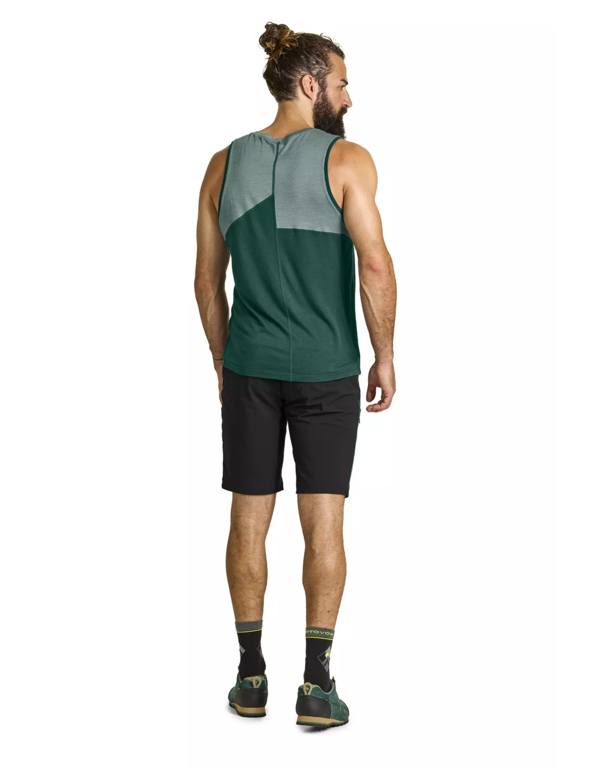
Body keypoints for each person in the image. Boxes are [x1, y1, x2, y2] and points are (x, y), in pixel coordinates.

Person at [194, 22, 397, 729]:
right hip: (326, 370)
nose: (348, 96)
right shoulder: (347, 160)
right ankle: (316, 684)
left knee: (247, 517)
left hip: (249, 368)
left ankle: (250, 677)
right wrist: (385, 354)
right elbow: (375, 265)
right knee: (324, 520)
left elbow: (206, 282)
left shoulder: (222, 166)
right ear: (310, 85)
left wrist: (223, 361)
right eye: (341, 83)